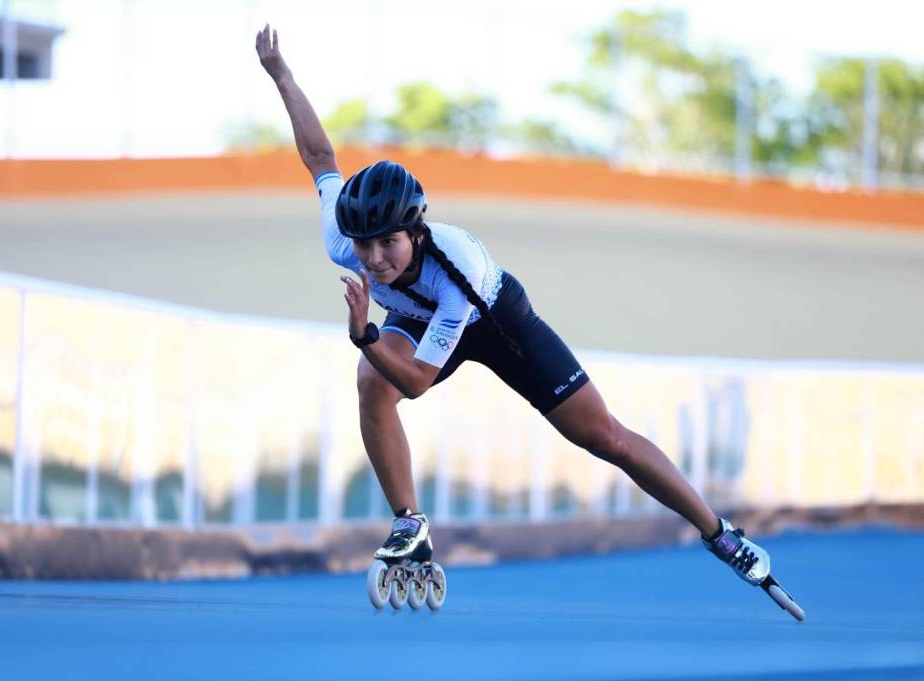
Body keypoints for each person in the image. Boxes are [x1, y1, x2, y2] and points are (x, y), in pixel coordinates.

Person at [254, 25, 778, 599]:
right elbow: (320, 156)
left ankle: (720, 534)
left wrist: (364, 334)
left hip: (496, 321)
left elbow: (419, 381)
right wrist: (283, 75)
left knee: (605, 438)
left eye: (389, 244)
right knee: (369, 381)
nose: (374, 260)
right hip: (415, 318)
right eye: (365, 246)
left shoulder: (459, 271)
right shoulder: (345, 237)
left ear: (417, 232)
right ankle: (410, 524)